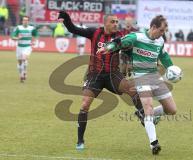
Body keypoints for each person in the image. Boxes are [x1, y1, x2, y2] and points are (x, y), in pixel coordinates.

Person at [57, 11, 144, 150]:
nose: (116, 24)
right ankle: (80, 141)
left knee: (133, 90)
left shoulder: (120, 36)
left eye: (117, 22)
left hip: (112, 75)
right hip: (95, 75)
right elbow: (74, 29)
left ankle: (143, 116)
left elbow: (129, 49)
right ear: (105, 23)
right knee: (85, 105)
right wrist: (67, 19)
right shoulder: (94, 32)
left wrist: (128, 63)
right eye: (113, 22)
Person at [99, 15, 177, 155]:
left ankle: (146, 115)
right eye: (161, 30)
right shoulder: (137, 37)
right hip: (140, 77)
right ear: (153, 27)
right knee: (148, 107)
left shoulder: (160, 41)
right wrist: (108, 47)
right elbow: (120, 42)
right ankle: (154, 143)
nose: (162, 33)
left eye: (164, 31)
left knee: (171, 109)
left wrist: (172, 68)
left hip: (154, 77)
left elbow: (164, 56)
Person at [11, 16, 38, 83]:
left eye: (26, 20)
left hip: (27, 47)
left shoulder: (32, 28)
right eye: (24, 20)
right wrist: (18, 38)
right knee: (20, 62)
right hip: (19, 47)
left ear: (28, 21)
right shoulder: (18, 28)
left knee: (24, 58)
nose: (25, 21)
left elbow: (35, 35)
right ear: (22, 21)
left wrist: (33, 41)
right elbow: (12, 37)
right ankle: (22, 74)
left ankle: (23, 74)